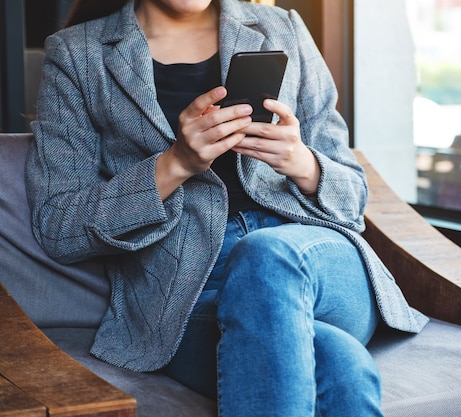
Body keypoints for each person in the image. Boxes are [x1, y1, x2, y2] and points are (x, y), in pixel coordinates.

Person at [25, 0, 429, 415]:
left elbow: (353, 199)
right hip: (187, 297)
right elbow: (61, 226)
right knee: (339, 364)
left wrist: (301, 162)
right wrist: (175, 164)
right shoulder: (79, 53)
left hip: (316, 263)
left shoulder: (281, 27)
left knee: (267, 255)